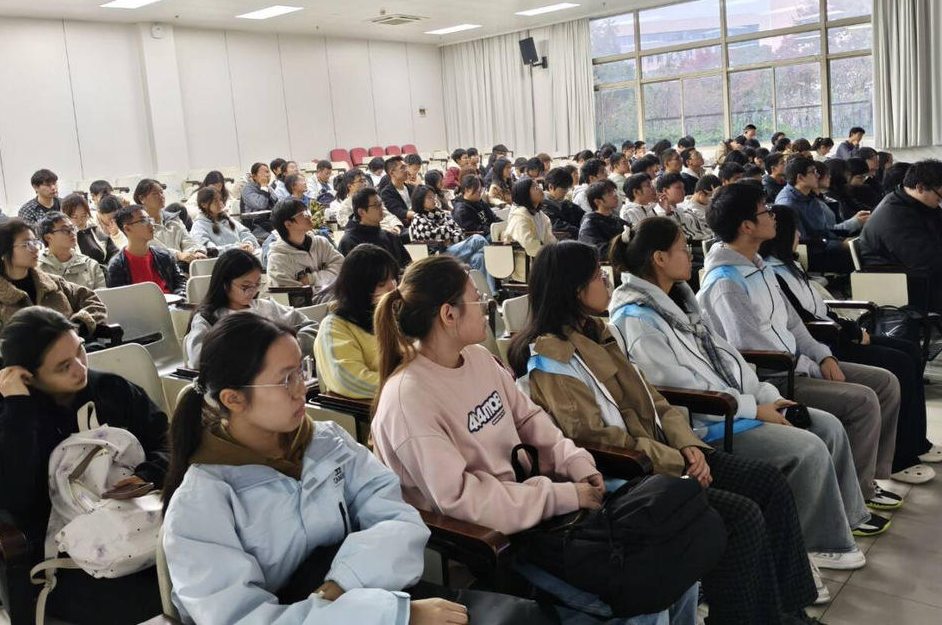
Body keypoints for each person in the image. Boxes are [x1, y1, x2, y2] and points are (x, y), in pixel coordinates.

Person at [371, 255, 699, 624]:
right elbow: (463, 502)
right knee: (646, 599)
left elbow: (529, 418)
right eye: (477, 299)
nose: (486, 306)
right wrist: (562, 495)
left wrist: (574, 463)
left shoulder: (477, 359)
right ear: (449, 315)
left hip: (544, 513)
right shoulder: (409, 399)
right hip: (501, 543)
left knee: (677, 565)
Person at [507, 241, 822, 623]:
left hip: (668, 455)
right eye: (597, 277)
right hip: (632, 478)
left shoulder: (598, 332)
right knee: (740, 518)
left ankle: (787, 610)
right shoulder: (552, 362)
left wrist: (689, 445)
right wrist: (679, 462)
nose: (606, 281)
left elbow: (654, 399)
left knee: (769, 484)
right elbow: (599, 440)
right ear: (576, 291)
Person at [163, 312, 468, 625]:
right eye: (286, 380)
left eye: (301, 371)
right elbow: (242, 619)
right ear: (234, 399)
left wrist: (343, 583)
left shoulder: (326, 442)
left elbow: (397, 517)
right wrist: (395, 616)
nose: (302, 389)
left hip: (374, 596)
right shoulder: (200, 505)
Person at [605, 222, 871, 574]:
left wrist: (768, 398)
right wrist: (755, 409)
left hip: (739, 406)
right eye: (683, 248)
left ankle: (835, 529)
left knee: (827, 426)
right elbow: (677, 390)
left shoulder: (683, 304)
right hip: (708, 424)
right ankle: (809, 550)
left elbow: (731, 360)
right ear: (659, 258)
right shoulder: (637, 318)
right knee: (806, 449)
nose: (690, 255)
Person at [698, 181, 901, 518]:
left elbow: (794, 324)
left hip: (799, 364)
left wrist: (824, 355)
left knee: (885, 382)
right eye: (765, 211)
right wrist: (809, 365)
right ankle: (852, 501)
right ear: (747, 226)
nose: (773, 217)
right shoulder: (726, 282)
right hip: (774, 379)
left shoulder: (759, 266)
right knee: (862, 400)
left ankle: (865, 481)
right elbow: (750, 348)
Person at [0, 307, 167, 624]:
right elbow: (6, 499)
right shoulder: (7, 424)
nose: (80, 368)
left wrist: (147, 474)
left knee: (200, 569)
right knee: (166, 596)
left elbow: (167, 441)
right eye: (63, 366)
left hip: (143, 525)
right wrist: (18, 410)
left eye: (80, 351)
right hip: (71, 560)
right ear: (26, 375)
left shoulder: (111, 390)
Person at [762, 206, 940, 483]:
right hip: (824, 342)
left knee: (908, 350)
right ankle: (899, 458)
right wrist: (851, 334)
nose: (798, 234)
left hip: (831, 332)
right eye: (794, 229)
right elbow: (804, 320)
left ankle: (916, 441)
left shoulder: (790, 266)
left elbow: (820, 309)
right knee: (899, 363)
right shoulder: (772, 273)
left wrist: (851, 328)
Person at [0, 220, 106, 352]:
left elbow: (94, 302)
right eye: (27, 244)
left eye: (35, 242)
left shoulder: (53, 283)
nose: (35, 249)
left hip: (74, 353)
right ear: (3, 253)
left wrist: (76, 325)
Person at [183, 249, 316, 368]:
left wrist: (287, 346)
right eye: (245, 286)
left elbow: (312, 328)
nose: (253, 291)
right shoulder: (209, 318)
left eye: (257, 284)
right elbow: (198, 359)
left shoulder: (267, 307)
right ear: (225, 284)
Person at [314, 245, 399, 400]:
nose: (393, 288)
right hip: (370, 408)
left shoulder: (395, 315)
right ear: (359, 288)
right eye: (381, 284)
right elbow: (349, 381)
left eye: (393, 278)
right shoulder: (335, 327)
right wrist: (408, 384)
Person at [860, 159, 942, 311]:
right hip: (903, 281)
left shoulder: (916, 204)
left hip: (921, 273)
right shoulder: (894, 215)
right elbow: (923, 259)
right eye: (939, 196)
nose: (940, 202)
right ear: (920, 187)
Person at [774, 157, 867, 274]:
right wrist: (839, 245)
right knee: (861, 257)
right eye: (813, 172)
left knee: (865, 247)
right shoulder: (788, 203)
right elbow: (802, 242)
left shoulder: (811, 197)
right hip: (810, 254)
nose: (818, 176)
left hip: (824, 245)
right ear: (800, 177)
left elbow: (824, 230)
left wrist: (842, 240)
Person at [267, 199, 343, 303]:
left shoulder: (321, 243)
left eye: (307, 212)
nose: (308, 216)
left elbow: (341, 268)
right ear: (288, 224)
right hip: (308, 308)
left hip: (334, 299)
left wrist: (311, 279)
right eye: (302, 214)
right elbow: (293, 298)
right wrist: (328, 276)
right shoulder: (277, 259)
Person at [409, 187, 489, 282]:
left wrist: (448, 238)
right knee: (477, 240)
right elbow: (432, 235)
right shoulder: (418, 219)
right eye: (429, 197)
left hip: (453, 248)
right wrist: (448, 232)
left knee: (479, 257)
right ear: (420, 201)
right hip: (436, 256)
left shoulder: (440, 214)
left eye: (434, 196)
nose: (434, 200)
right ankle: (497, 271)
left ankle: (489, 290)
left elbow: (459, 232)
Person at [105, 206, 187, 295]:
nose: (151, 225)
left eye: (149, 219)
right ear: (127, 229)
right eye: (144, 221)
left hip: (171, 302)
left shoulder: (164, 255)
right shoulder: (117, 265)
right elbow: (118, 298)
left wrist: (179, 297)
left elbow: (180, 282)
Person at [133, 179, 206, 264]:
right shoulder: (139, 224)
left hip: (181, 265)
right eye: (155, 194)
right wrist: (177, 255)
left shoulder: (174, 219)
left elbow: (187, 240)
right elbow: (152, 249)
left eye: (161, 192)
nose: (161, 196)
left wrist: (196, 252)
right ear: (142, 199)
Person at [337, 188, 411, 268]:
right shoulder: (349, 242)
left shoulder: (389, 236)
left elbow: (407, 264)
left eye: (381, 204)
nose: (381, 208)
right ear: (361, 212)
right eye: (377, 205)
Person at [502, 178, 555, 282]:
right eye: (535, 188)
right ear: (524, 194)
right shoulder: (519, 216)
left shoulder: (540, 215)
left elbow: (549, 239)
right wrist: (550, 255)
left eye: (539, 186)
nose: (540, 189)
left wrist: (556, 251)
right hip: (527, 265)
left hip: (541, 259)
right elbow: (529, 244)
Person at [37, 212, 106, 290]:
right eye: (65, 230)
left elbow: (103, 295)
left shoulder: (90, 265)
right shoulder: (38, 269)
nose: (72, 233)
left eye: (72, 228)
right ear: (48, 237)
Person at [191, 186, 259, 256]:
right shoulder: (199, 226)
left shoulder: (227, 219)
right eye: (215, 201)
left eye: (220, 199)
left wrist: (248, 243)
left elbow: (245, 233)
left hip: (240, 256)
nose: (220, 203)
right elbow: (210, 250)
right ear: (203, 205)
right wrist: (235, 249)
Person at [61, 192, 115, 265]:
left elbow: (114, 253)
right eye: (75, 217)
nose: (80, 220)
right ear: (65, 217)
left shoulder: (95, 232)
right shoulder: (61, 237)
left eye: (84, 216)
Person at [655, 173, 711, 243]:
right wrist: (669, 213)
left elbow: (703, 227)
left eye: (683, 187)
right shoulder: (660, 214)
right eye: (678, 188)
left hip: (708, 239)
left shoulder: (683, 207)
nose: (683, 191)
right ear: (665, 191)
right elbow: (675, 236)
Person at [578, 180, 626, 260]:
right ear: (598, 201)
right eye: (610, 193)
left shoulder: (616, 220)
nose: (615, 195)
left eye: (614, 191)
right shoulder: (589, 224)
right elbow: (599, 252)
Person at [540, 167, 585, 238]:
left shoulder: (565, 203)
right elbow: (558, 226)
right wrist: (582, 232)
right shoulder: (542, 206)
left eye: (568, 188)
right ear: (551, 187)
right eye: (564, 189)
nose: (566, 192)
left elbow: (583, 216)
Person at [380, 156, 416, 225]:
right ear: (392, 173)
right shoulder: (386, 193)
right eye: (402, 168)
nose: (406, 170)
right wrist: (417, 215)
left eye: (406, 167)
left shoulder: (412, 188)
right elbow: (396, 211)